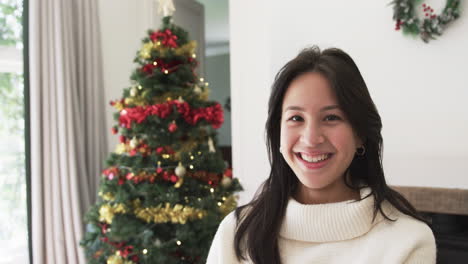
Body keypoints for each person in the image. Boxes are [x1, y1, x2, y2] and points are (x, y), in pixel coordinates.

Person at [206, 46, 436, 264]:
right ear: (278, 133)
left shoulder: (408, 240)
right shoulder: (236, 233)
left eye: (331, 118)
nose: (311, 138)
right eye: (296, 118)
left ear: (360, 134)